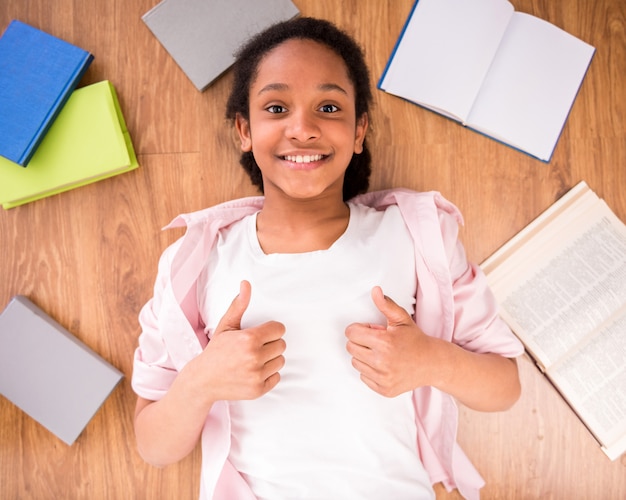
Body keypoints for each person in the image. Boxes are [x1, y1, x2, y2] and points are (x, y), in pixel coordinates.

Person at [132, 17, 524, 500]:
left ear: (358, 131)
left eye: (329, 107)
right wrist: (201, 382)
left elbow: (505, 386)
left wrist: (431, 361)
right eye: (276, 108)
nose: (303, 128)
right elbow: (153, 445)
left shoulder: (416, 235)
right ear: (244, 130)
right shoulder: (195, 263)